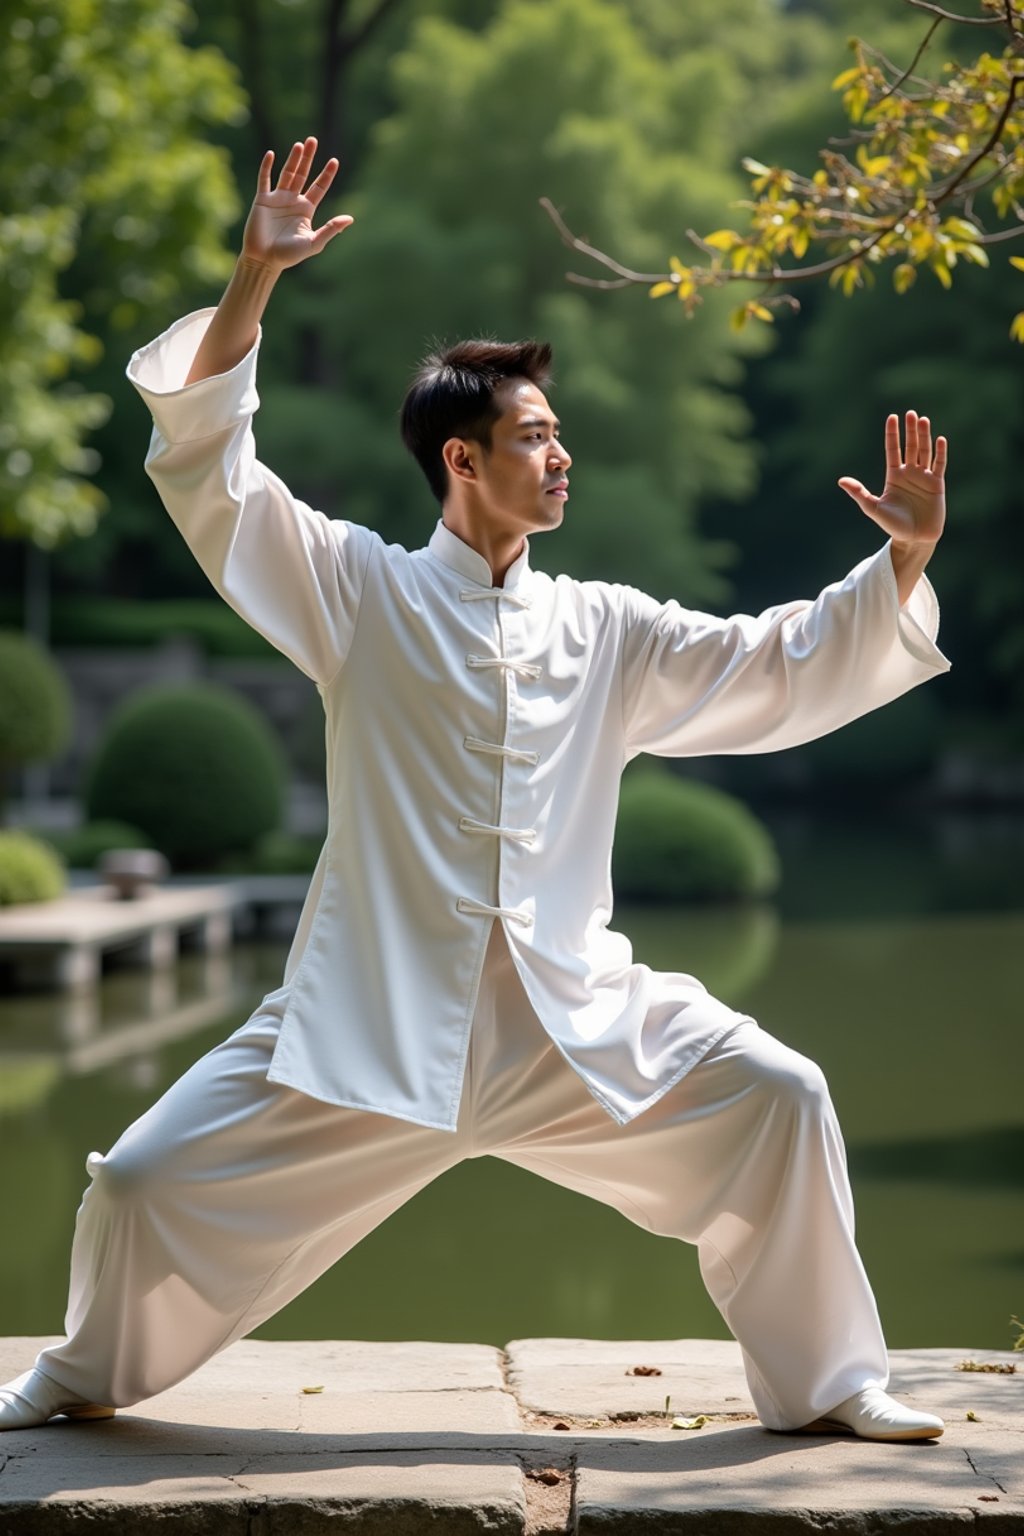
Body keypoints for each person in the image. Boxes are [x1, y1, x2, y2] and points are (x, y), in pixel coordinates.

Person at [2, 137, 951, 1441]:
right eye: (535, 438)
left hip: (572, 1024)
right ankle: (76, 1371)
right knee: (149, 1181)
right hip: (370, 1023)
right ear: (462, 459)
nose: (562, 459)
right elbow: (217, 481)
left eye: (560, 439)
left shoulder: (603, 627)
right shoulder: (359, 593)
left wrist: (895, 570)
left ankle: (836, 1383)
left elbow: (772, 661)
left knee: (780, 1096)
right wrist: (251, 284)